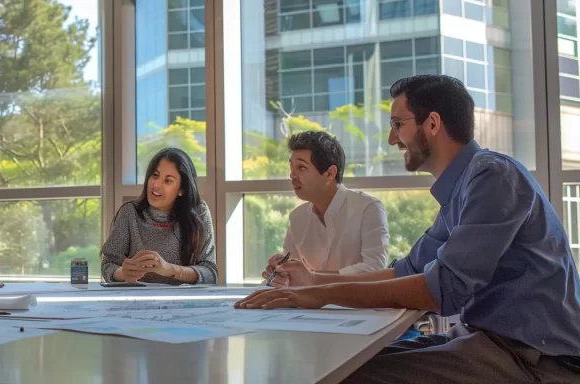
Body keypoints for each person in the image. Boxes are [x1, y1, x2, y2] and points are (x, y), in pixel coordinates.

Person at [237, 75, 580, 383]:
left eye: (398, 124)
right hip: (485, 340)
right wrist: (316, 281)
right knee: (335, 363)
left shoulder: (492, 178)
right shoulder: (463, 187)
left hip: (532, 358)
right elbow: (409, 269)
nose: (391, 139)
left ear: (432, 123)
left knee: (342, 375)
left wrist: (320, 295)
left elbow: (441, 289)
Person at [262, 131, 388, 283]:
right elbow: (294, 275)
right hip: (309, 306)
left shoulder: (368, 209)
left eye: (301, 167)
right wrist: (281, 272)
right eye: (291, 167)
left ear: (330, 173)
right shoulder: (297, 217)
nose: (292, 175)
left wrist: (314, 278)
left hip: (357, 305)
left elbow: (375, 269)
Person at [101, 148, 218, 284]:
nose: (156, 185)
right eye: (155, 175)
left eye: (168, 181)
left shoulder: (198, 213)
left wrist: (170, 269)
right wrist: (122, 273)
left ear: (182, 189)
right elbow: (108, 263)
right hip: (136, 300)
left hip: (183, 301)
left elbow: (210, 273)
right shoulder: (130, 212)